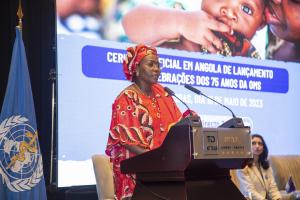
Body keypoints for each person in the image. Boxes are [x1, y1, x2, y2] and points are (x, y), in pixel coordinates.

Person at [105, 44, 188, 200]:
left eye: (158, 65)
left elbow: (178, 126)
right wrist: (161, 160)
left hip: (165, 168)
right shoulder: (126, 98)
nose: (156, 69)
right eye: (150, 64)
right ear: (136, 69)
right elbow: (129, 142)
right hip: (136, 174)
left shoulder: (163, 94)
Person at [122, 0, 266, 58]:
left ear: (262, 23)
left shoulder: (250, 55)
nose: (229, 13)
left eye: (246, 9)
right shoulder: (186, 24)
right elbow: (129, 22)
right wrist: (179, 22)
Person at [237, 134, 282, 200]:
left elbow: (273, 188)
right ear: (247, 146)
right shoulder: (242, 166)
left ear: (263, 148)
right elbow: (250, 191)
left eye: (260, 144)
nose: (257, 146)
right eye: (253, 143)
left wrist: (278, 198)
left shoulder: (266, 166)